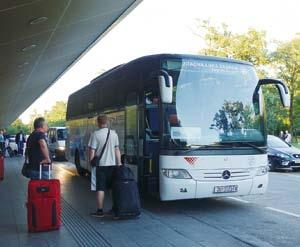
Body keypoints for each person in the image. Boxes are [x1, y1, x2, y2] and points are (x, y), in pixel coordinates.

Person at [88, 114, 122, 218]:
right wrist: (119, 163)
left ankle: (100, 211)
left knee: (100, 188)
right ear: (107, 122)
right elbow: (117, 149)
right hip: (112, 165)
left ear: (98, 123)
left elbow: (92, 151)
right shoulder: (114, 134)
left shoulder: (95, 134)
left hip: (100, 166)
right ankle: (114, 208)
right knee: (111, 188)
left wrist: (91, 163)